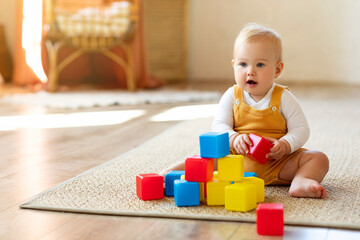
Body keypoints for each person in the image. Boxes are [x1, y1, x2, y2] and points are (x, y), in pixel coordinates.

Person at [212, 23, 329, 198]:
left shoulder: (283, 97)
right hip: (236, 162)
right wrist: (234, 137)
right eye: (243, 64)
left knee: (319, 159)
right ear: (234, 65)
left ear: (277, 69)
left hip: (278, 163)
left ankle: (300, 181)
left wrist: (285, 145)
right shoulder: (232, 95)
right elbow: (219, 125)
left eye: (260, 65)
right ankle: (166, 175)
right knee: (199, 158)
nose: (250, 72)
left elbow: (301, 129)